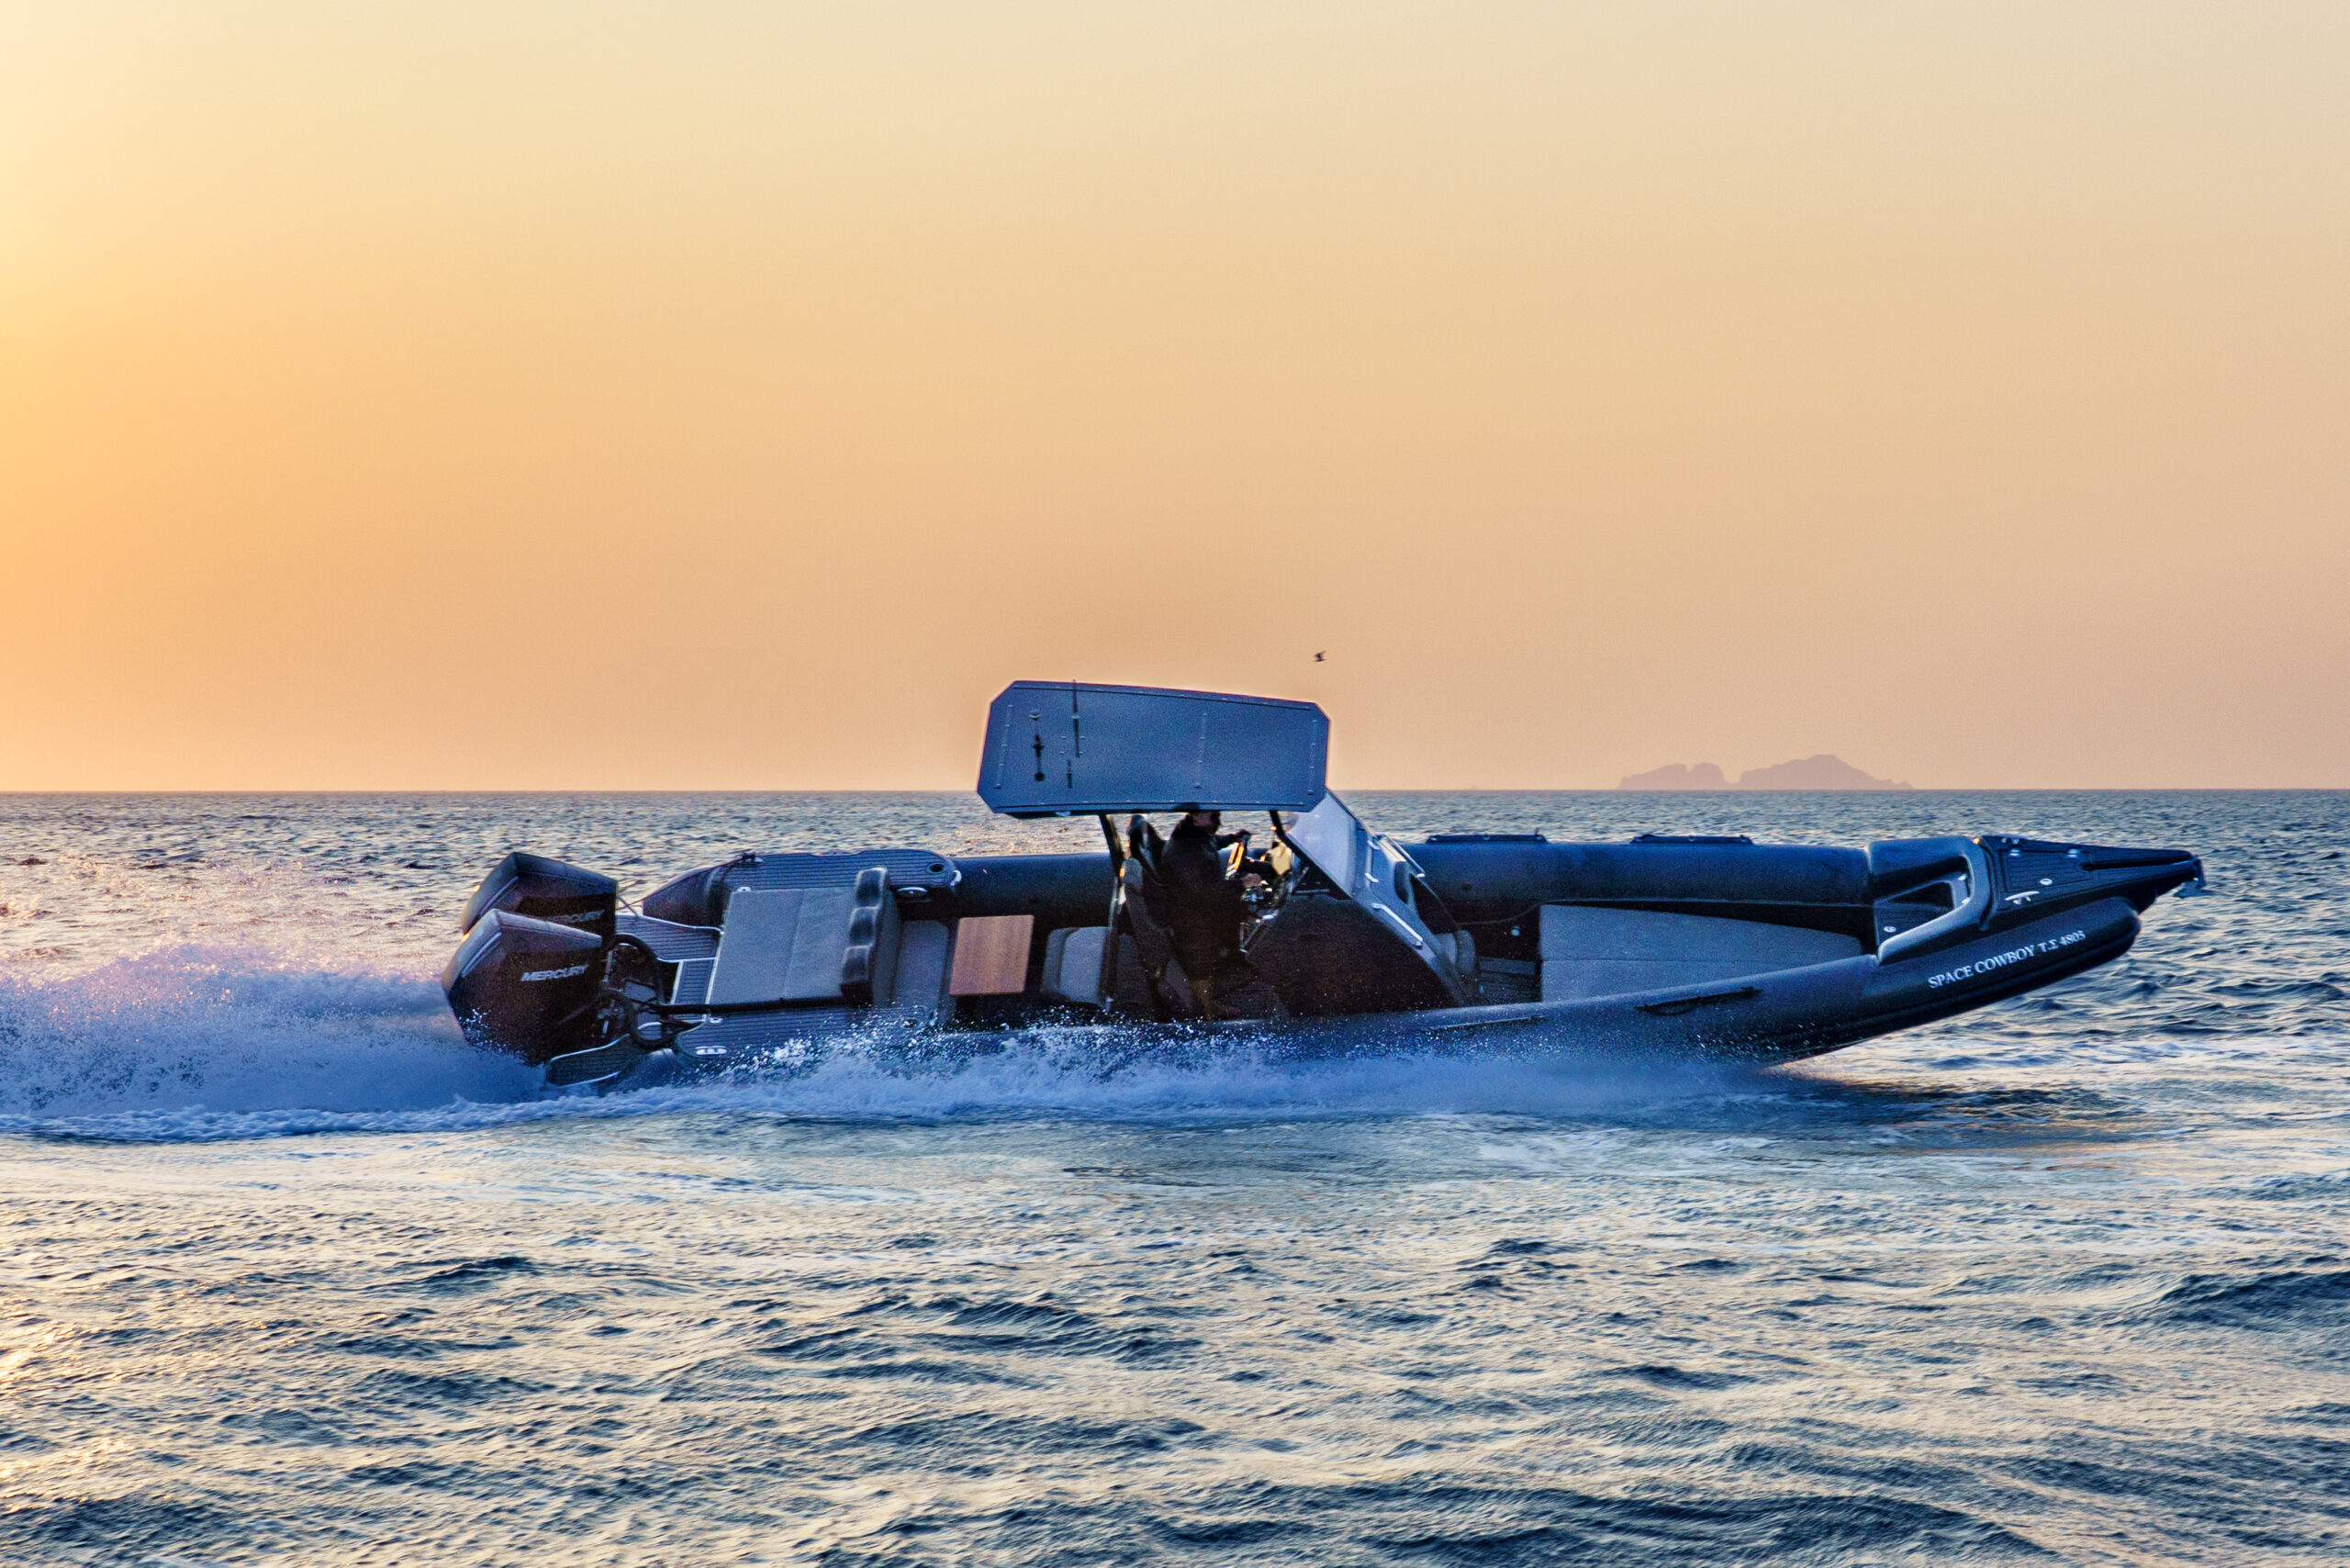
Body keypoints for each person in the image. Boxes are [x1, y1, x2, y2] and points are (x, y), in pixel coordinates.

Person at [1158, 806, 1257, 1019]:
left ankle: (1210, 1003)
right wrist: (1242, 884)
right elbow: (1203, 891)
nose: (1218, 822)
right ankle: (1206, 1012)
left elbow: (1211, 843)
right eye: (1214, 817)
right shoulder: (1185, 850)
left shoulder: (1193, 836)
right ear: (1197, 817)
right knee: (1200, 964)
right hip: (1191, 918)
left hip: (1195, 909)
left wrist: (1232, 838)